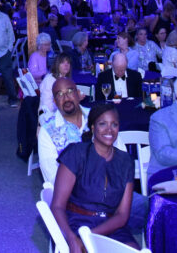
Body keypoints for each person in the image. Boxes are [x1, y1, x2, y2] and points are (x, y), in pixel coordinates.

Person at [51, 104, 138, 250]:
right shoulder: (76, 153)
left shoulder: (126, 161)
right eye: (102, 124)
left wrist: (91, 236)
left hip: (110, 227)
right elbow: (57, 206)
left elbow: (122, 215)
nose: (109, 130)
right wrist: (72, 238)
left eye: (114, 124)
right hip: (77, 223)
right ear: (92, 127)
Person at [38, 77, 89, 184]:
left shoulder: (97, 118)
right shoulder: (48, 132)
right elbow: (53, 178)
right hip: (72, 196)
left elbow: (119, 156)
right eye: (60, 94)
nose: (66, 98)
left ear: (78, 94)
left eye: (70, 91)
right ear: (54, 101)